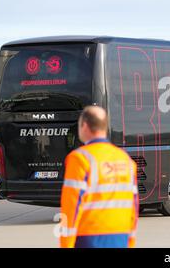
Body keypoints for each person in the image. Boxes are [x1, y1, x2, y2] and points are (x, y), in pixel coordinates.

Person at [60, 106, 138, 248]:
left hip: (89, 239)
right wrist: (130, 240)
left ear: (84, 126)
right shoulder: (126, 160)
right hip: (121, 238)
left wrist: (66, 244)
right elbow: (134, 205)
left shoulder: (80, 159)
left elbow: (71, 207)